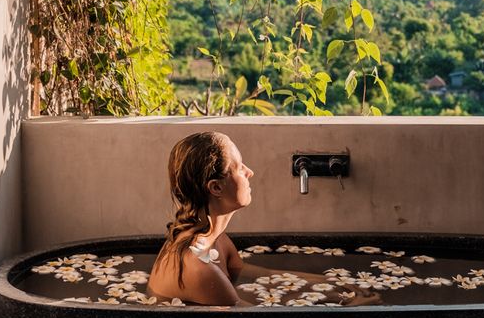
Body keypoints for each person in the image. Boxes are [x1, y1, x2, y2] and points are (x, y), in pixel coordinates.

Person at [147, 131, 378, 307]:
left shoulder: (213, 239)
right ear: (216, 187)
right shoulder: (200, 270)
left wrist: (336, 285)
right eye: (239, 168)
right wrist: (349, 310)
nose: (250, 172)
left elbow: (265, 275)